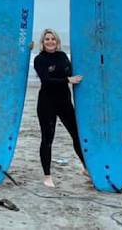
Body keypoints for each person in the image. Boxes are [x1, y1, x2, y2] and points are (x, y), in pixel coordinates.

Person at [33, 28, 87, 188]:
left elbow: (74, 73)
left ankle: (86, 168)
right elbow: (47, 80)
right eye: (47, 39)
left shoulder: (63, 57)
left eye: (53, 39)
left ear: (57, 41)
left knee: (77, 135)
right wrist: (67, 80)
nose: (50, 42)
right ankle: (47, 176)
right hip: (46, 103)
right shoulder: (39, 59)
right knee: (48, 139)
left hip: (64, 102)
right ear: (42, 43)